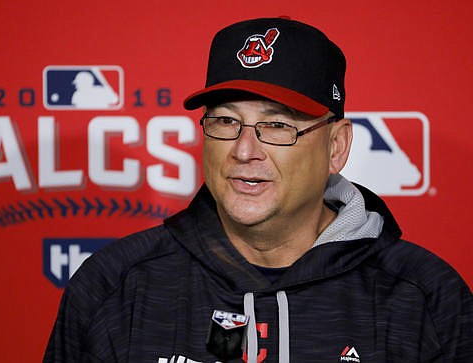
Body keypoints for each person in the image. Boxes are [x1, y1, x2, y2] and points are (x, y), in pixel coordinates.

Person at [44, 17, 473, 363]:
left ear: (336, 146)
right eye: (226, 121)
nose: (244, 150)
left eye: (277, 125)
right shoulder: (114, 287)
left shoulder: (425, 298)